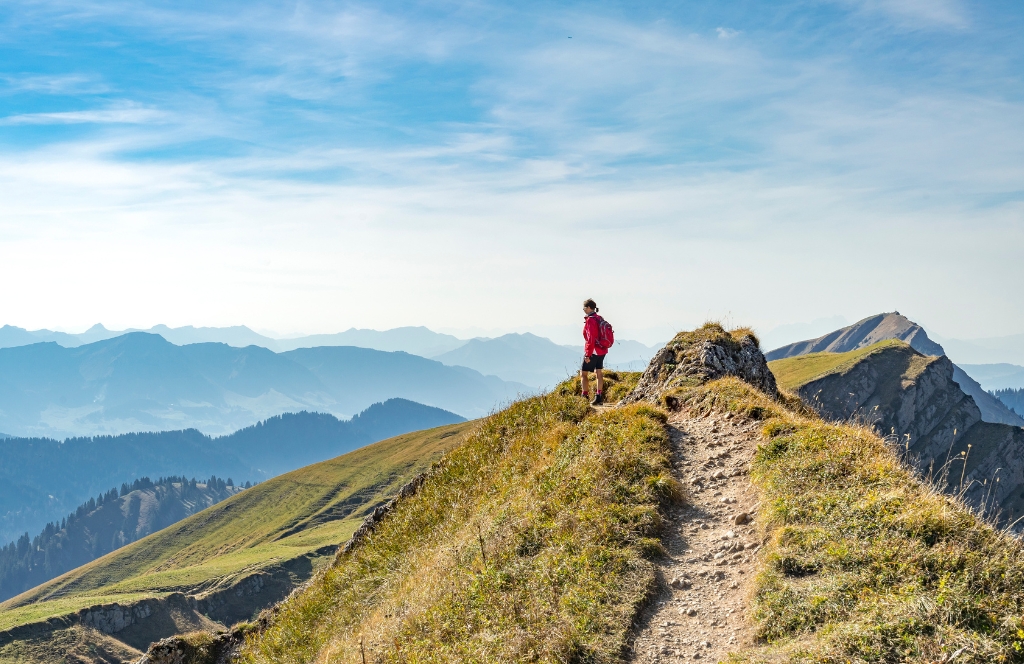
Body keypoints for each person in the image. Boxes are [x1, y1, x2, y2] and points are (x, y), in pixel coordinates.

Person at [581, 299, 609, 404]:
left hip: (594, 350)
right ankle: (599, 396)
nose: (583, 310)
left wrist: (588, 354)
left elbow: (590, 338)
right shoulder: (599, 318)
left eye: (584, 307)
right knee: (599, 372)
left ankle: (584, 396)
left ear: (588, 308)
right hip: (603, 350)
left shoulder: (590, 320)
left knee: (583, 374)